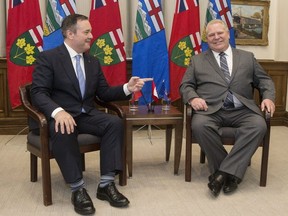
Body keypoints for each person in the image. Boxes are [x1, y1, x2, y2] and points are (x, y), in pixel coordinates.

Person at [30, 14, 150, 215]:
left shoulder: (92, 61)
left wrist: (127, 88)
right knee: (64, 127)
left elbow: (103, 93)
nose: (91, 36)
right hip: (58, 118)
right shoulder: (48, 58)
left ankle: (106, 184)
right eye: (86, 32)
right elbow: (38, 92)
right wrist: (58, 112)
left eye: (90, 32)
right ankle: (77, 188)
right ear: (70, 34)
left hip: (85, 115)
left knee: (114, 123)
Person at [180, 19, 275, 197]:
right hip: (211, 110)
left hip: (243, 110)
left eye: (220, 33)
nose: (216, 38)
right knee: (199, 125)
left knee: (259, 126)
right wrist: (192, 98)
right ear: (206, 39)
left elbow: (265, 80)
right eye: (211, 35)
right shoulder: (197, 60)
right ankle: (232, 175)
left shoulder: (247, 57)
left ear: (227, 33)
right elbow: (186, 85)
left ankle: (221, 174)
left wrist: (268, 98)